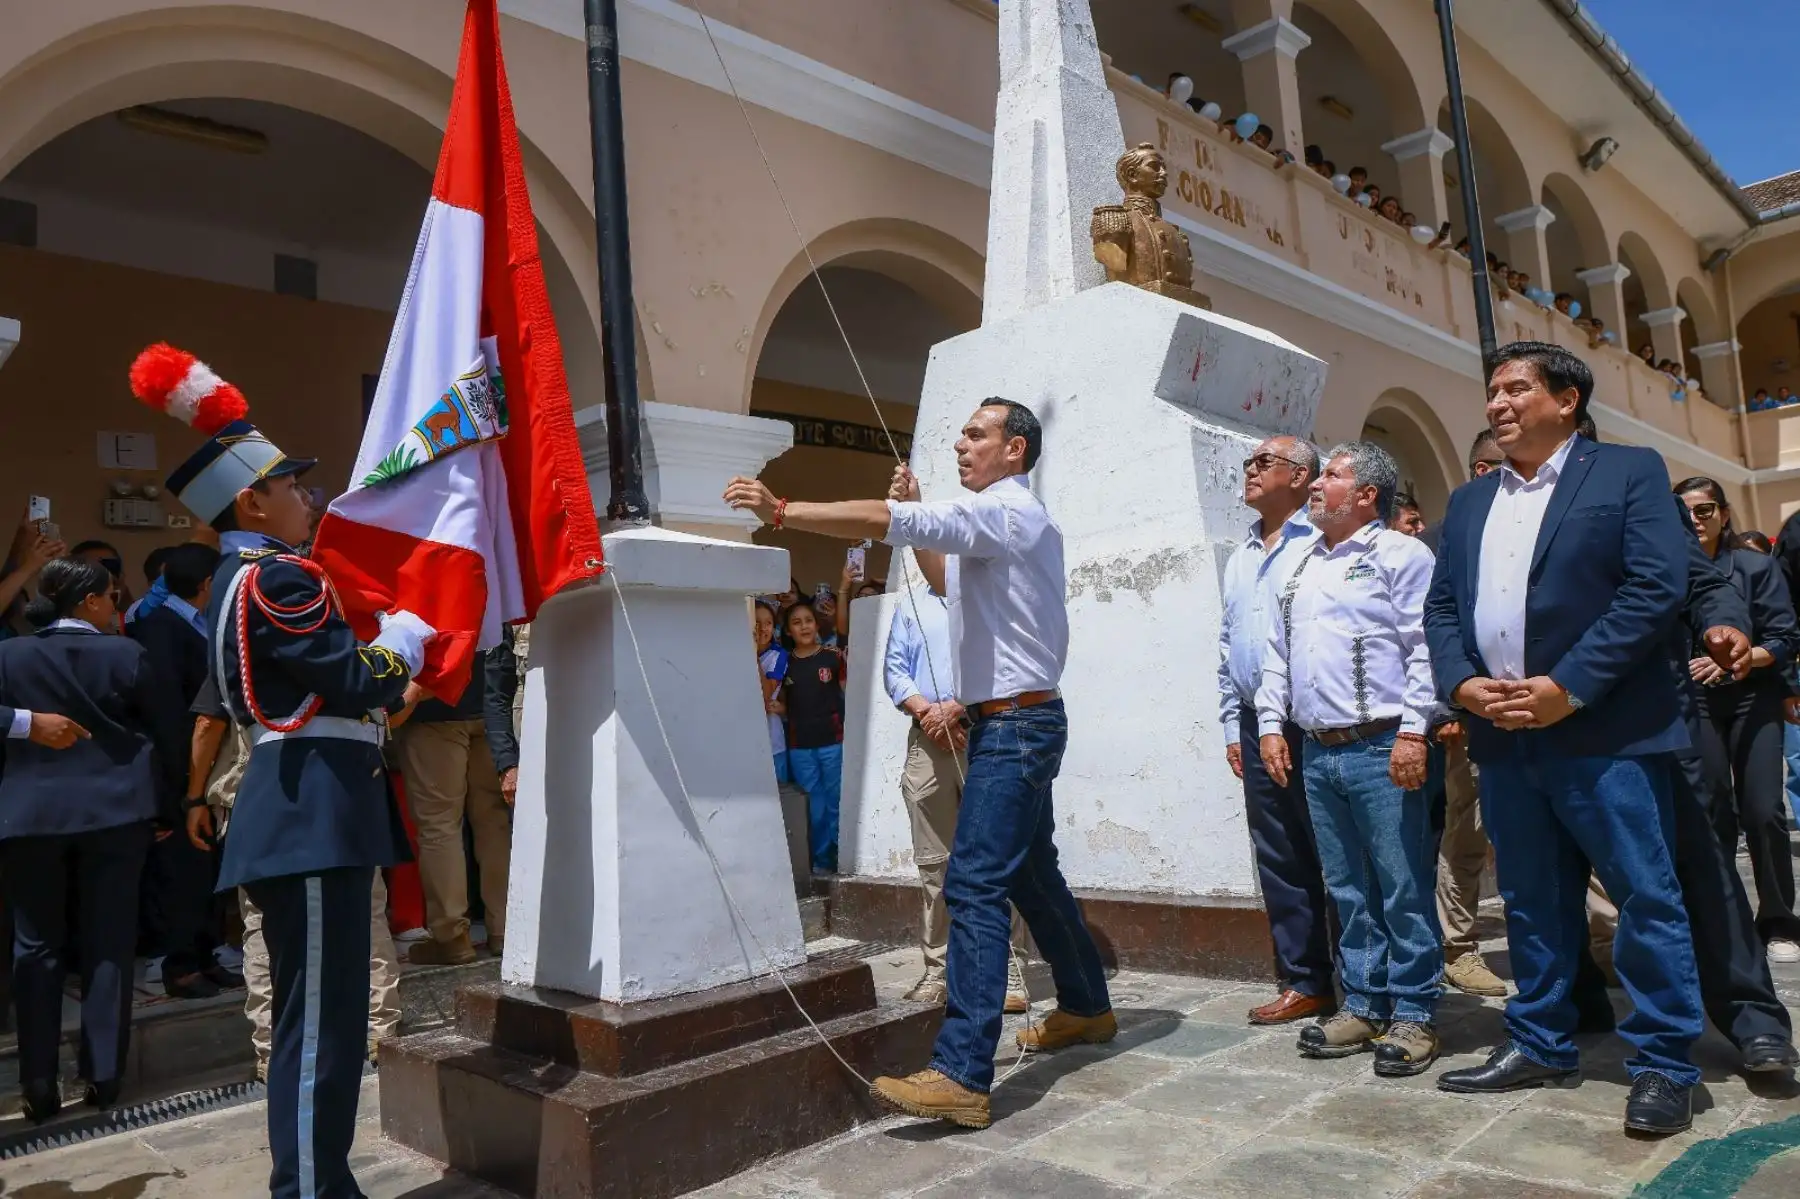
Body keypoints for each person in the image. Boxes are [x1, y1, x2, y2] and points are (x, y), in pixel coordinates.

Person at [725, 397, 1114, 1131]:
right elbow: (941, 575)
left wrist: (784, 509)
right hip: (1011, 723)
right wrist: (915, 517)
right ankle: (1089, 1005)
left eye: (977, 434)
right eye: (963, 433)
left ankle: (963, 1071)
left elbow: (885, 522)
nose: (962, 443)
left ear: (1016, 451)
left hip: (1017, 728)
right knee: (1034, 877)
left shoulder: (1008, 511)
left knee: (972, 884)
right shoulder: (992, 528)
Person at [132, 344, 432, 1196]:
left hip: (311, 812)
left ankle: (318, 1179)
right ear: (250, 498)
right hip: (307, 814)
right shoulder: (278, 579)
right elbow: (347, 676)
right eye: (295, 487)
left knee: (328, 1016)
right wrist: (403, 640)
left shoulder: (252, 577)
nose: (311, 498)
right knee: (316, 1025)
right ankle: (307, 1187)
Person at [1425, 341, 1706, 1135]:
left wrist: (1567, 686)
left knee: (1644, 897)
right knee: (1531, 901)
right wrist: (1462, 684)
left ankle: (1662, 1063)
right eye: (1492, 391)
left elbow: (1657, 585)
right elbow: (1443, 607)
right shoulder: (1472, 502)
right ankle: (1542, 1040)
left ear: (1566, 400)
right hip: (1505, 738)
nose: (1498, 403)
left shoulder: (1628, 473)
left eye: (1516, 388)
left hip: (1605, 732)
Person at [1256, 442, 1443, 1077]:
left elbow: (1424, 647)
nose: (1317, 484)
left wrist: (1415, 733)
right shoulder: (1303, 562)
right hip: (1316, 750)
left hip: (1384, 743)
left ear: (1365, 495)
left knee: (1402, 882)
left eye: (1332, 475)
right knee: (1345, 887)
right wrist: (1269, 725)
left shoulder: (1401, 554)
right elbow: (1280, 652)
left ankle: (1415, 1010)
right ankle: (1362, 1001)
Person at [0, 557, 188, 1122]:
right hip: (117, 814)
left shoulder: (8, 655)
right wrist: (170, 803)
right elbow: (169, 734)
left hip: (29, 816)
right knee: (109, 944)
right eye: (112, 594)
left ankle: (37, 1081)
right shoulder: (126, 655)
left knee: (34, 947)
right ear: (88, 602)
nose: (117, 604)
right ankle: (103, 1077)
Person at [1218, 436, 1335, 1026]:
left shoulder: (1319, 543)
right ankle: (1306, 978)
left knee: (1331, 847)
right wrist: (1230, 725)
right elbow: (1228, 641)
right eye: (1249, 463)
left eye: (1264, 463)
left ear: (1301, 475)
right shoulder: (1241, 554)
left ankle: (1361, 978)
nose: (1251, 472)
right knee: (1280, 851)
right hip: (1250, 717)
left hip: (1308, 718)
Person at [884, 585, 1029, 1012]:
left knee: (998, 858)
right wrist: (928, 714)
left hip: (986, 731)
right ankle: (938, 970)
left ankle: (1011, 971)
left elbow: (1007, 662)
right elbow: (895, 670)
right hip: (928, 741)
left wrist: (957, 709)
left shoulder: (987, 589)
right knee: (935, 864)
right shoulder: (911, 603)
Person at [1674, 477, 1800, 964]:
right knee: (1711, 811)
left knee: (1764, 809)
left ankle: (1777, 919)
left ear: (1724, 514)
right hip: (1696, 702)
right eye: (1686, 511)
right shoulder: (1667, 572)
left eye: (1705, 510)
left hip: (1754, 698)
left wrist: (1744, 659)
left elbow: (1786, 636)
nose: (1696, 519)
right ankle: (1721, 920)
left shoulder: (1755, 567)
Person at [1419, 432, 1510, 1001]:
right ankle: (1460, 947)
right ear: (1482, 469)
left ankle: (1601, 945)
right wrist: (1447, 707)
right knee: (1467, 832)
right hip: (1471, 716)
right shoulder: (1439, 540)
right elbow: (1430, 629)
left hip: (1549, 709)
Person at [132, 542, 237, 999]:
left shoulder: (199, 623)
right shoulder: (159, 629)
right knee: (182, 873)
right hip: (180, 772)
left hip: (209, 767)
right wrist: (182, 784)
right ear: (209, 584)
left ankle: (206, 952)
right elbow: (164, 714)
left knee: (208, 869)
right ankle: (180, 964)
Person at [390, 648, 511, 966]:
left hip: (433, 708)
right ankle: (505, 928)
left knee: (439, 826)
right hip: (489, 707)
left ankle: (451, 937)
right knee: (495, 823)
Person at [780, 600, 846, 874]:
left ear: (817, 625)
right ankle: (821, 862)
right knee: (814, 808)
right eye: (796, 622)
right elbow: (782, 702)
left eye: (808, 620)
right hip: (800, 747)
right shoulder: (783, 663)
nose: (804, 626)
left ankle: (844, 858)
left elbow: (848, 691)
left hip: (833, 742)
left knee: (836, 803)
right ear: (788, 631)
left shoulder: (832, 657)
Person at [753, 602, 790, 784]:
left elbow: (767, 694)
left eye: (768, 623)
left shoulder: (778, 655)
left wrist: (752, 654)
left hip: (771, 741)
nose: (762, 628)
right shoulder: (731, 651)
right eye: (756, 622)